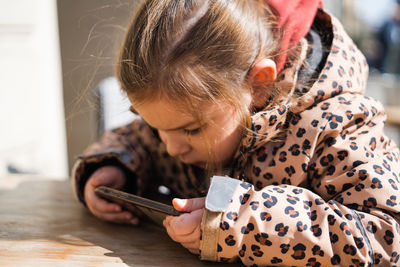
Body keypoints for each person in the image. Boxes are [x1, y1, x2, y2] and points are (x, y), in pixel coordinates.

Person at [72, 0, 400, 265]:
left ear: (259, 85)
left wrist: (243, 223)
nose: (170, 148)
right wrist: (113, 166)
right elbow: (136, 139)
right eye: (156, 127)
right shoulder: (187, 115)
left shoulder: (337, 125)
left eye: (190, 129)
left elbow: (388, 237)